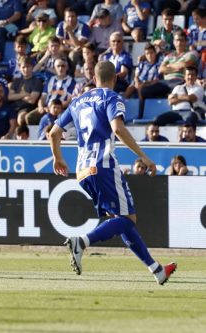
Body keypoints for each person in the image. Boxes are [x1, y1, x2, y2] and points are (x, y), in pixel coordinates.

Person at [48, 60, 177, 285]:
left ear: (94, 77)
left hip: (82, 170)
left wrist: (58, 158)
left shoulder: (77, 101)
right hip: (103, 165)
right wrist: (143, 157)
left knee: (121, 219)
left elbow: (53, 133)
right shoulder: (111, 98)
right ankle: (83, 241)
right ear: (115, 78)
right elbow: (117, 129)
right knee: (128, 219)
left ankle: (156, 269)